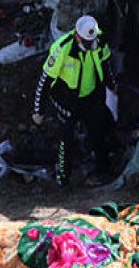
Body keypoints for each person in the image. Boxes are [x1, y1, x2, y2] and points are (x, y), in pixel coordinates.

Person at [32, 15, 117, 187]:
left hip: (91, 95)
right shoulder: (62, 49)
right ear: (77, 36)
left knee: (97, 132)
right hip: (66, 100)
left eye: (91, 42)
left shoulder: (99, 42)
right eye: (86, 42)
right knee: (66, 138)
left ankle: (103, 171)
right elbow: (45, 80)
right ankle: (63, 177)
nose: (90, 46)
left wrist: (111, 84)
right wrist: (38, 110)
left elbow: (105, 64)